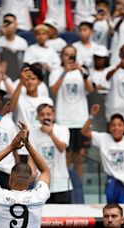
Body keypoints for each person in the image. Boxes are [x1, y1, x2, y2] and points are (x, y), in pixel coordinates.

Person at [0, 122, 51, 228]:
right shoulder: (38, 196)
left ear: (9, 180)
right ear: (30, 181)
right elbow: (45, 171)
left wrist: (11, 147)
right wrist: (27, 144)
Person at [49, 45, 94, 179]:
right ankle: (65, 185)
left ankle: (78, 187)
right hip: (64, 120)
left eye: (72, 55)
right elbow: (53, 90)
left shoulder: (82, 71)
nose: (69, 57)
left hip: (80, 120)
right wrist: (65, 72)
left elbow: (90, 89)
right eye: (66, 54)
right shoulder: (56, 71)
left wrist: (81, 71)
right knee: (66, 157)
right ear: (62, 56)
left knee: (79, 158)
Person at [30, 104, 72, 203]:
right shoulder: (33, 133)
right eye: (42, 114)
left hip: (60, 182)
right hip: (42, 183)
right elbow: (31, 156)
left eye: (48, 114)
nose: (45, 117)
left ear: (53, 115)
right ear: (38, 117)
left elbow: (62, 148)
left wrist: (51, 134)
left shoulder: (63, 130)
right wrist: (32, 170)